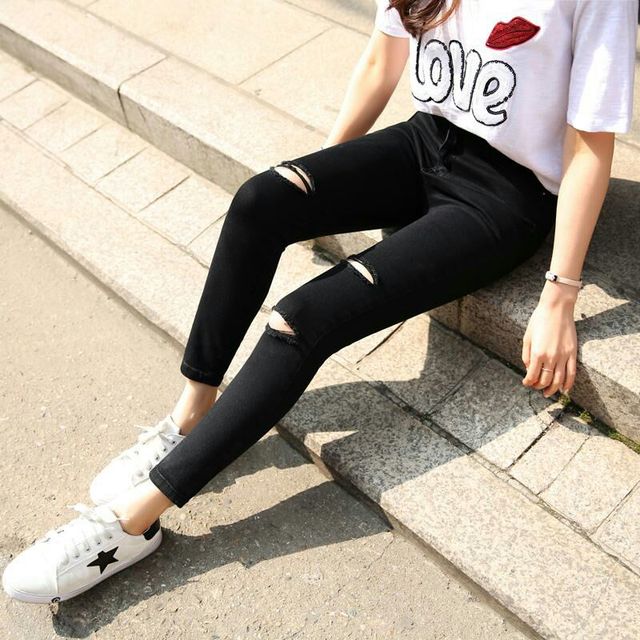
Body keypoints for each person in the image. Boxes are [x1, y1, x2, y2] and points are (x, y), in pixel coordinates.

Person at [3, 0, 637, 604]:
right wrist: (323, 188)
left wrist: (560, 295)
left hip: (506, 195)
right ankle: (190, 415)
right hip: (425, 141)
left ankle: (132, 521)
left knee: (303, 317)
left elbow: (591, 142)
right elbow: (381, 60)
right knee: (261, 200)